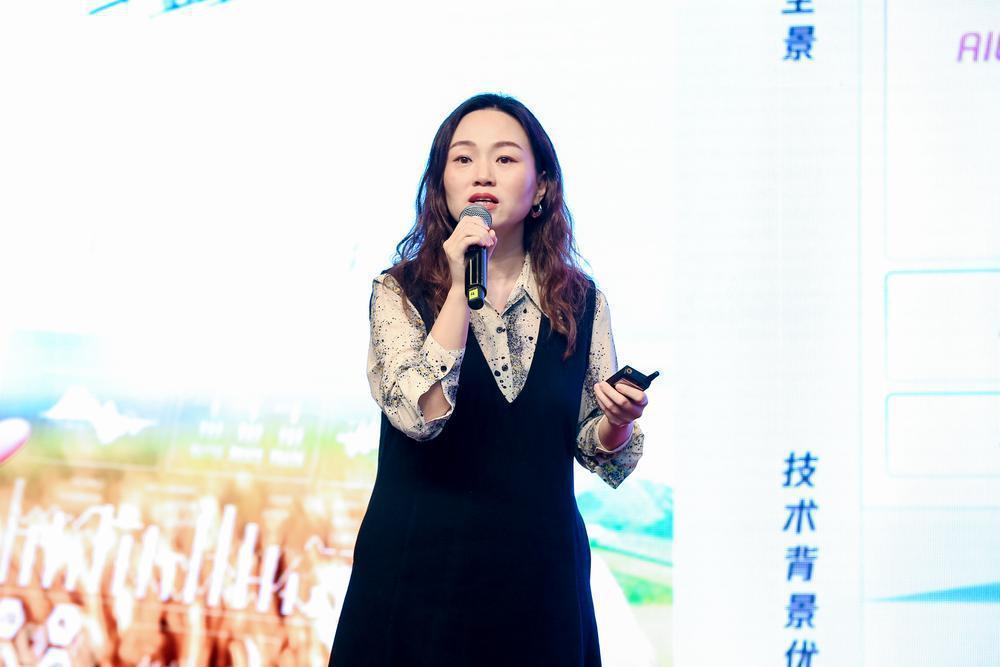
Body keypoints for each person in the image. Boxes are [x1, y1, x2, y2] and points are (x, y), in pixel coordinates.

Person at [329, 93, 650, 667]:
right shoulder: (398, 292)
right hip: (417, 581)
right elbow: (419, 417)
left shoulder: (581, 302)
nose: (483, 173)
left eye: (504, 158)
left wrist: (617, 423)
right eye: (463, 158)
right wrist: (459, 287)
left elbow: (598, 451)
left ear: (542, 186)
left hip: (540, 583)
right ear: (441, 184)